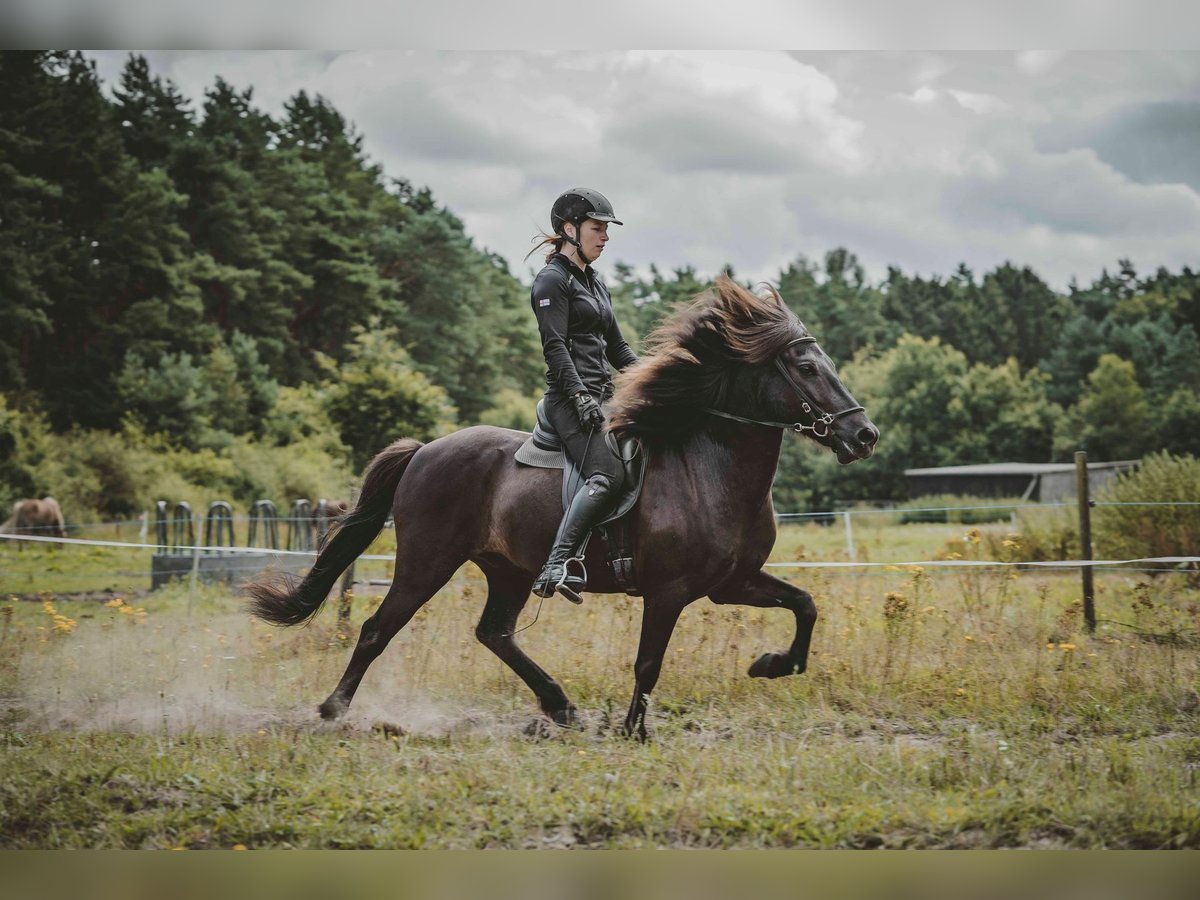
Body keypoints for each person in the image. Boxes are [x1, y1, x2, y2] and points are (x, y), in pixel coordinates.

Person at [527, 188, 639, 602]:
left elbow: (618, 350)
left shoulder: (595, 282)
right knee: (606, 474)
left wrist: (657, 383)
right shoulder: (551, 281)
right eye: (598, 228)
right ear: (569, 229)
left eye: (607, 230)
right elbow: (555, 347)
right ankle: (557, 563)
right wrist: (579, 396)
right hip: (568, 401)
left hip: (605, 396)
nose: (605, 237)